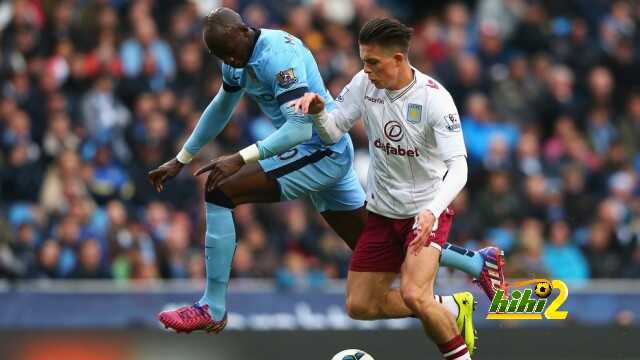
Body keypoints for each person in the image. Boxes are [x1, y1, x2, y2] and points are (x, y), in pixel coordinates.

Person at [149, 9, 506, 342]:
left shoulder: (279, 56)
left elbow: (300, 130)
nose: (231, 61)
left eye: (231, 52)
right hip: (320, 152)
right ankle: (471, 269)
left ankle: (213, 306)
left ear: (244, 31)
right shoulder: (233, 59)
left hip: (319, 149)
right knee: (388, 257)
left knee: (221, 191)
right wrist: (182, 158)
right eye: (222, 57)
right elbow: (221, 106)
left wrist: (240, 158)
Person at [294, 18, 481, 360]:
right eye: (363, 60)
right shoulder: (364, 85)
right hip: (381, 213)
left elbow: (459, 167)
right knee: (360, 305)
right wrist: (320, 112)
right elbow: (334, 131)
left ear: (398, 59)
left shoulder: (435, 100)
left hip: (426, 212)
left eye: (373, 62)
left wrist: (432, 210)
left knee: (414, 294)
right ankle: (452, 307)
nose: (366, 70)